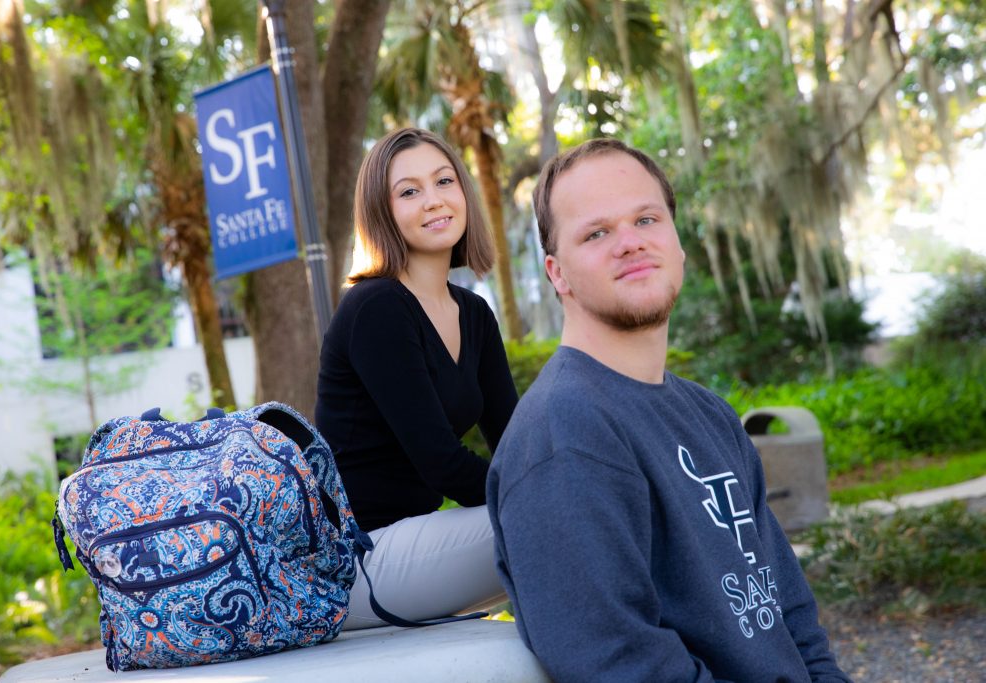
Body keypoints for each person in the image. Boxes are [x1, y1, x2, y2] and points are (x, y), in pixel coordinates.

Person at [486, 138, 852, 682]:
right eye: (597, 232)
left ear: (677, 244)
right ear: (556, 273)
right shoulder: (563, 434)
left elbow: (790, 615)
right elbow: (617, 663)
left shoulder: (708, 414)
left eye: (647, 219)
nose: (630, 243)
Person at [315, 127, 518, 629]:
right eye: (409, 191)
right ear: (382, 213)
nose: (433, 201)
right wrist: (543, 490)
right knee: (554, 512)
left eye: (444, 181)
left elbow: (514, 444)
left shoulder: (473, 313)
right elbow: (442, 465)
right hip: (357, 561)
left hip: (415, 544)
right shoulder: (376, 307)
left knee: (575, 500)